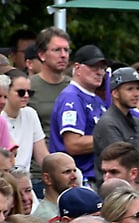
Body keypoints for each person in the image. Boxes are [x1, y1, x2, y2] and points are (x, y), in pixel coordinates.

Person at [49, 45, 108, 186]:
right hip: (78, 178)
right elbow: (73, 144)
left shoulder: (97, 100)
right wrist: (113, 137)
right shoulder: (72, 97)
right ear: (78, 68)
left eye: (102, 68)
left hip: (96, 175)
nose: (99, 72)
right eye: (94, 67)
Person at [92, 67, 139, 183]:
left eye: (137, 89)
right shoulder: (107, 123)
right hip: (115, 191)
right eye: (130, 89)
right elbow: (123, 161)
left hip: (138, 186)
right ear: (115, 93)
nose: (136, 94)